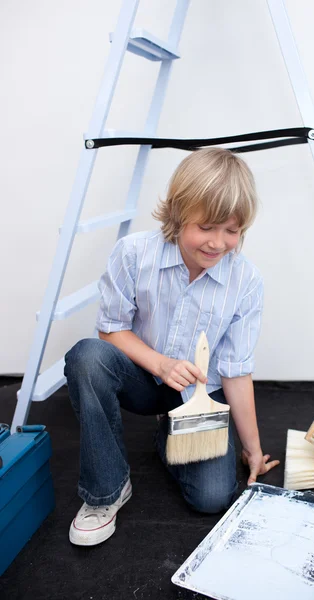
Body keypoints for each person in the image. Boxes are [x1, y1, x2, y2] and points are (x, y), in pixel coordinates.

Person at [64, 147, 279, 546]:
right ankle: (107, 490)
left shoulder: (246, 281)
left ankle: (168, 433)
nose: (219, 243)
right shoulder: (133, 254)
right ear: (179, 215)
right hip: (143, 378)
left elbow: (235, 369)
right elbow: (110, 331)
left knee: (213, 497)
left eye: (232, 231)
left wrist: (252, 449)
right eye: (208, 227)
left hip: (199, 394)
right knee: (86, 358)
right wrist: (161, 365)